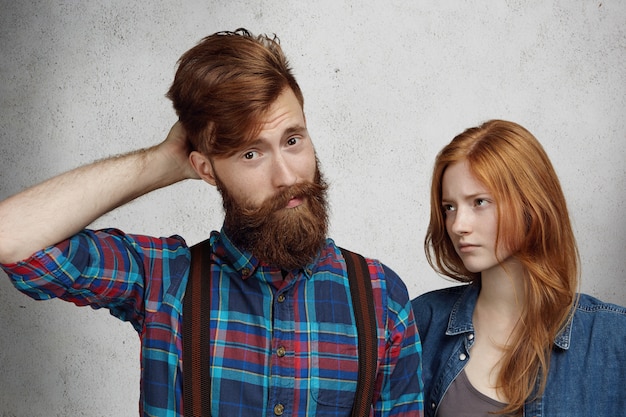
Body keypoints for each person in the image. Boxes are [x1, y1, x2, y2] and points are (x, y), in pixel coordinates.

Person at [0, 29, 423, 417]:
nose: (288, 176)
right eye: (251, 154)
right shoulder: (164, 279)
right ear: (205, 169)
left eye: (293, 140)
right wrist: (161, 162)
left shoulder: (380, 297)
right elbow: (12, 237)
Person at [412, 119, 626, 416]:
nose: (458, 225)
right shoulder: (420, 323)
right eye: (450, 207)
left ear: (531, 205)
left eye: (479, 202)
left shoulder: (612, 338)